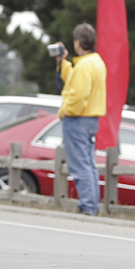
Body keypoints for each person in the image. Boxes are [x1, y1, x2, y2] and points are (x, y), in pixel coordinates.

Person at [56, 22, 107, 216]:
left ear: (78, 42)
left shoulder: (84, 65)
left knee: (79, 164)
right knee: (88, 163)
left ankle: (87, 205)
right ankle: (92, 203)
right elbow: (75, 80)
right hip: (91, 118)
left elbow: (78, 95)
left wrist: (66, 111)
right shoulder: (96, 62)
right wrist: (64, 63)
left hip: (78, 118)